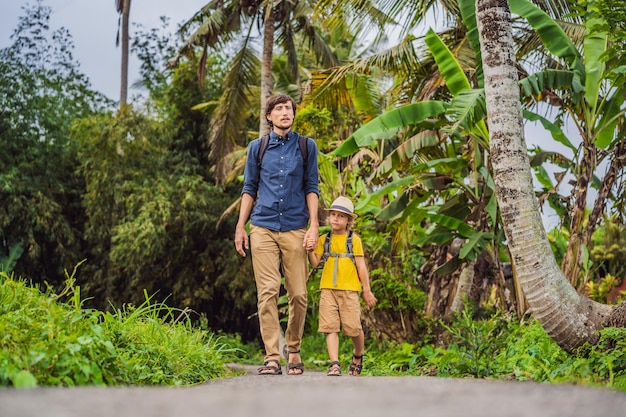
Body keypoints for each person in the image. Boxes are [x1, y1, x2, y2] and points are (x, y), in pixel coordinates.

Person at [234, 93, 319, 376]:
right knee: (268, 291)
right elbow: (249, 188)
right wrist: (240, 226)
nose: (285, 112)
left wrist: (315, 226)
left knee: (299, 294)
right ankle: (272, 355)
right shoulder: (257, 148)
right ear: (269, 116)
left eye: (289, 108)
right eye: (279, 109)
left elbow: (311, 188)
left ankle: (292, 348)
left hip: (296, 226)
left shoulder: (307, 147)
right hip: (263, 226)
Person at [308, 196, 377, 376]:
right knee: (330, 326)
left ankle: (358, 353)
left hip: (349, 289)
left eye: (340, 216)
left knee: (353, 327)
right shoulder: (324, 239)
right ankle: (334, 363)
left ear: (348, 220)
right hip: (328, 288)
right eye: (333, 215)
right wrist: (309, 250)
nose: (335, 219)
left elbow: (361, 266)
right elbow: (315, 263)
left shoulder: (354, 240)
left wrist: (366, 291)